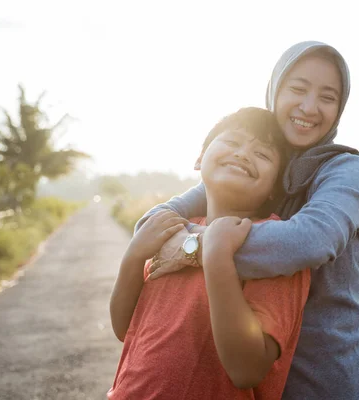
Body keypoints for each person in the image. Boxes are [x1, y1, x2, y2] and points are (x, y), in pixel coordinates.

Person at [135, 41, 359, 399]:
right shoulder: (261, 162)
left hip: (322, 383)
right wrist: (196, 244)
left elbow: (310, 240)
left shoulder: (344, 169)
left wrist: (200, 246)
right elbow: (152, 224)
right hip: (257, 384)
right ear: (274, 90)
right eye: (297, 89)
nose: (309, 107)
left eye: (328, 97)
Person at [108, 107, 311, 400]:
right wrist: (134, 255)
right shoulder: (171, 231)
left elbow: (246, 370)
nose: (243, 154)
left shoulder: (276, 248)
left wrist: (217, 257)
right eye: (232, 142)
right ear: (200, 158)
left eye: (263, 154)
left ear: (274, 189)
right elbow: (124, 328)